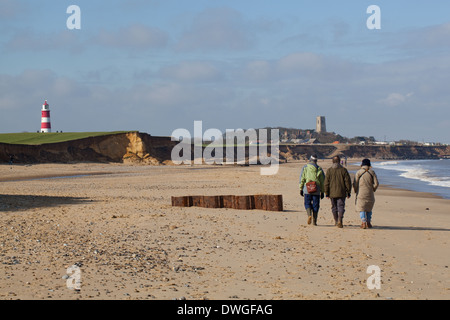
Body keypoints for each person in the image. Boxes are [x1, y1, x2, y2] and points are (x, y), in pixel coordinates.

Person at [324, 155, 352, 228]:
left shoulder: (329, 170)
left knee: (334, 207)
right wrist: (348, 191)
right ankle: (340, 220)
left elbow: (326, 182)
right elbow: (348, 182)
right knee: (341, 206)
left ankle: (336, 221)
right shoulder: (343, 170)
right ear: (339, 161)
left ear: (332, 161)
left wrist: (326, 193)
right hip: (342, 192)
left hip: (332, 192)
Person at [353, 158, 379, 229]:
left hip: (361, 193)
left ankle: (363, 222)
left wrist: (356, 190)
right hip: (370, 193)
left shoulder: (359, 172)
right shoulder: (372, 172)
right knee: (368, 208)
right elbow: (376, 183)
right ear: (369, 164)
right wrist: (373, 189)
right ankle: (368, 222)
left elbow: (355, 183)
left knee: (362, 208)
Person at [299, 154, 325, 225]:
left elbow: (302, 178)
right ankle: (314, 221)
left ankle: (309, 214)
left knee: (307, 203)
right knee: (316, 205)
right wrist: (323, 191)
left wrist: (301, 188)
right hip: (316, 189)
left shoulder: (305, 167)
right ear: (316, 161)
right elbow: (323, 181)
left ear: (310, 160)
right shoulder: (319, 169)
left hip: (307, 188)